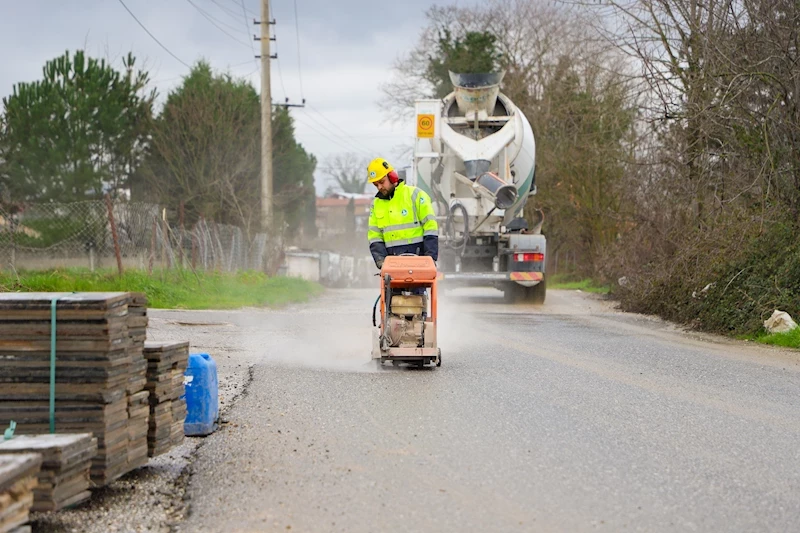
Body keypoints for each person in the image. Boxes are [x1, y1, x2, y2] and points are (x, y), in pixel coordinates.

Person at [366, 157, 438, 270]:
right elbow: (375, 236)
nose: (379, 187)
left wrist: (430, 257)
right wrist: (380, 260)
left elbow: (430, 226)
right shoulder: (375, 205)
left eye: (381, 182)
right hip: (392, 266)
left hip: (419, 262)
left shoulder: (416, 195)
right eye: (376, 185)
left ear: (392, 177)